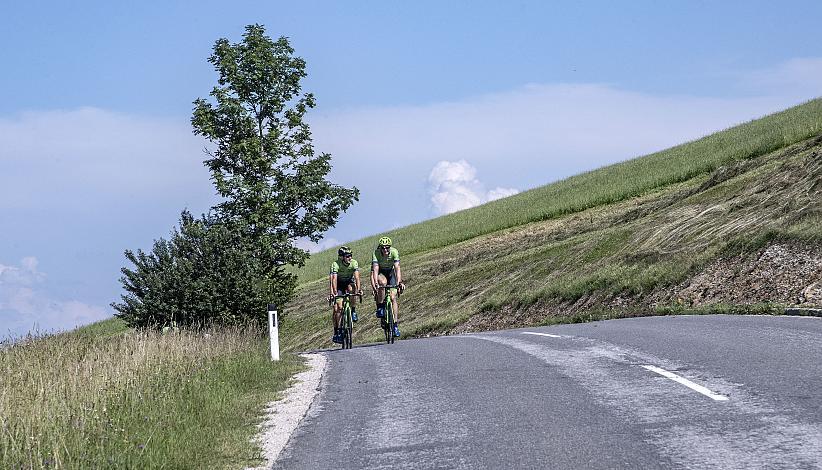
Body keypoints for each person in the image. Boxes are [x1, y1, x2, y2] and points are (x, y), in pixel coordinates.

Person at [371, 236, 405, 338]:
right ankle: (381, 307)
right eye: (383, 248)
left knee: (393, 297)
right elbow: (375, 269)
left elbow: (397, 268)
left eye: (387, 248)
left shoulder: (394, 252)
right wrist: (375, 284)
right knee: (382, 282)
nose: (385, 250)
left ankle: (395, 325)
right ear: (380, 248)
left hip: (391, 273)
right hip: (381, 273)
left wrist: (399, 282)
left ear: (390, 247)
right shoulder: (376, 253)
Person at [329, 246, 362, 344]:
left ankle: (353, 310)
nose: (350, 258)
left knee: (352, 288)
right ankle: (338, 330)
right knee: (338, 308)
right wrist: (334, 293)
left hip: (348, 283)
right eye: (347, 256)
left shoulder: (354, 263)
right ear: (342, 257)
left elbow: (357, 278)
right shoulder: (335, 264)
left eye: (351, 256)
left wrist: (359, 290)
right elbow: (333, 280)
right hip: (338, 285)